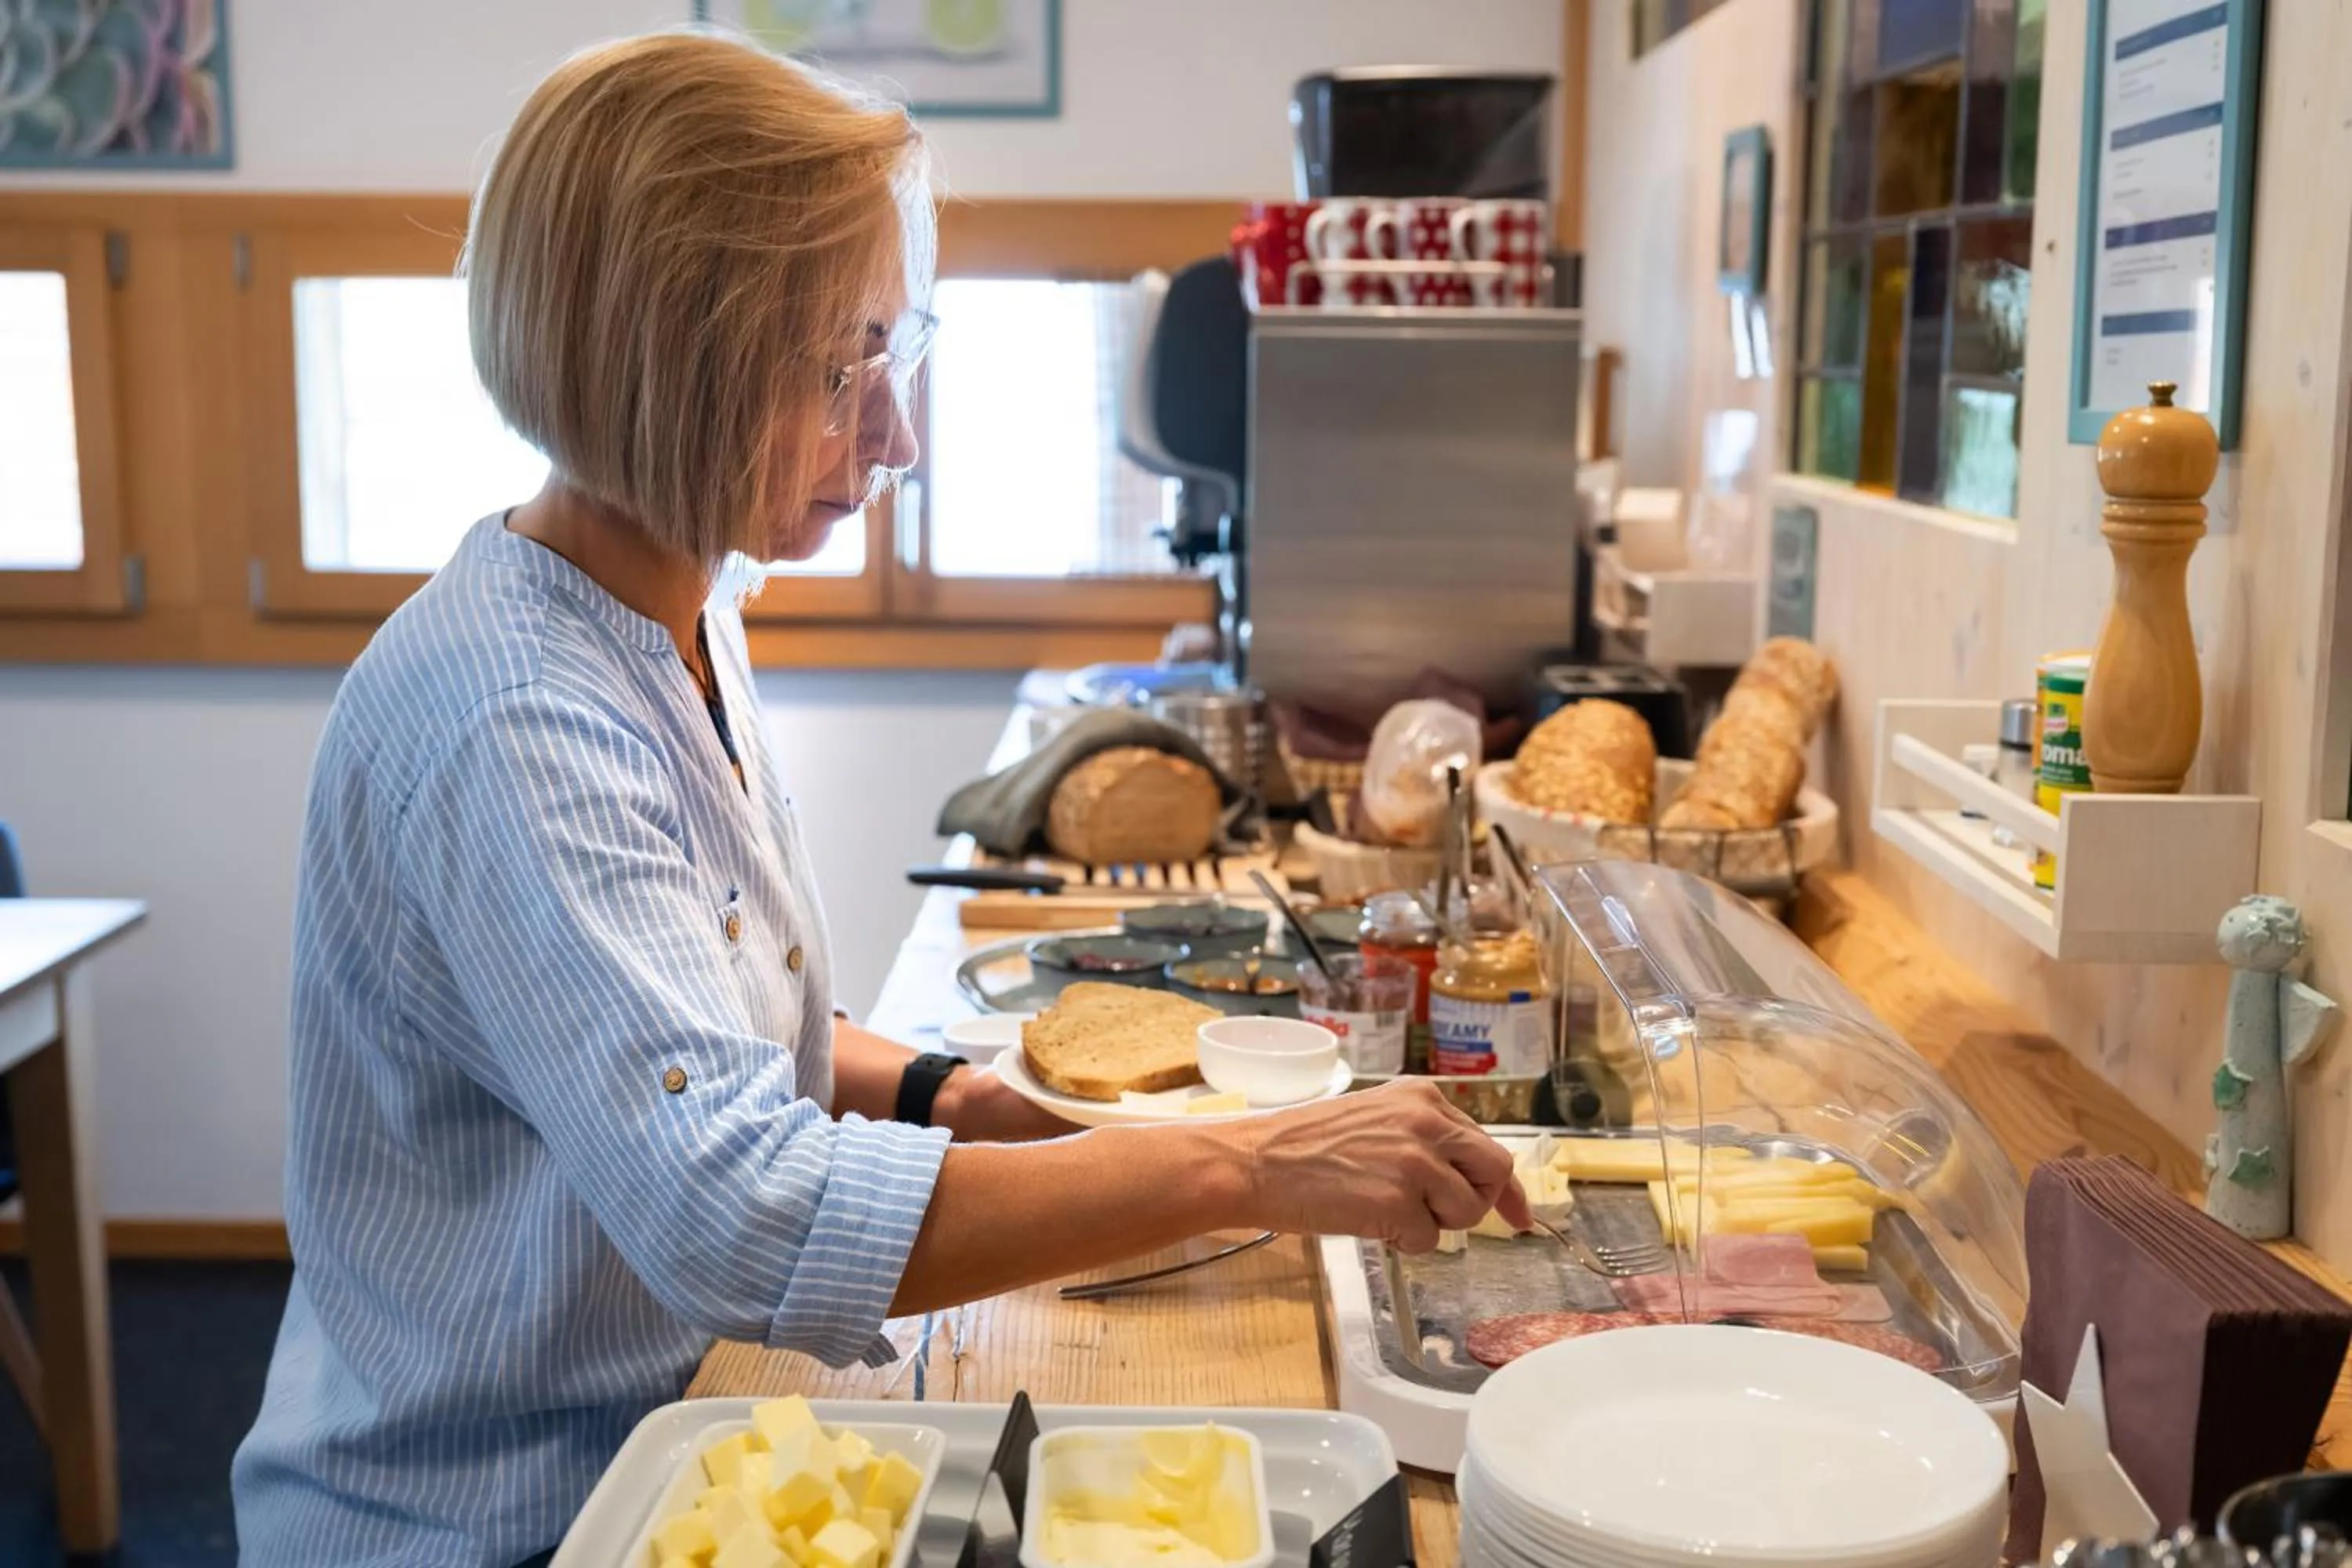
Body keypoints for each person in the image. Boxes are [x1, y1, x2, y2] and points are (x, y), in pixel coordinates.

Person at [230, 31, 1527, 1568]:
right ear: (669, 356)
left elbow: (681, 1025)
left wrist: (957, 1096)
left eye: (894, 360)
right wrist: (1259, 1166)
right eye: (844, 368)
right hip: (488, 1515)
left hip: (672, 1437)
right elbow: (731, 1208)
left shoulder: (673, 608)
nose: (894, 436)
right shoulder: (512, 717)